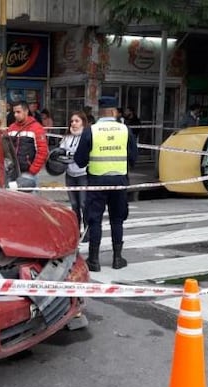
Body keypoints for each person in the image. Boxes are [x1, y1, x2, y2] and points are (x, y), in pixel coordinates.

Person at [74, 96, 137, 271]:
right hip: (119, 181)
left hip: (97, 181)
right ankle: (117, 258)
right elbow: (133, 158)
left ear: (100, 112)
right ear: (114, 112)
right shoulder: (125, 130)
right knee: (117, 220)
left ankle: (94, 260)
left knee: (95, 220)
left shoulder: (91, 130)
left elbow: (79, 160)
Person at [59, 111, 90, 238]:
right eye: (72, 121)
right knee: (74, 205)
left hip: (83, 174)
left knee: (83, 204)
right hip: (70, 174)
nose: (74, 124)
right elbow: (60, 152)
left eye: (77, 121)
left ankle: (88, 232)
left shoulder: (87, 136)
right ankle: (76, 231)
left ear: (83, 122)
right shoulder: (67, 137)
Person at [7, 101, 49, 189]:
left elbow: (42, 151)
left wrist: (32, 170)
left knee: (30, 200)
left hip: (28, 172)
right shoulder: (11, 128)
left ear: (26, 111)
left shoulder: (37, 128)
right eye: (14, 112)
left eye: (18, 112)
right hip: (12, 171)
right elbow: (7, 149)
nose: (15, 115)